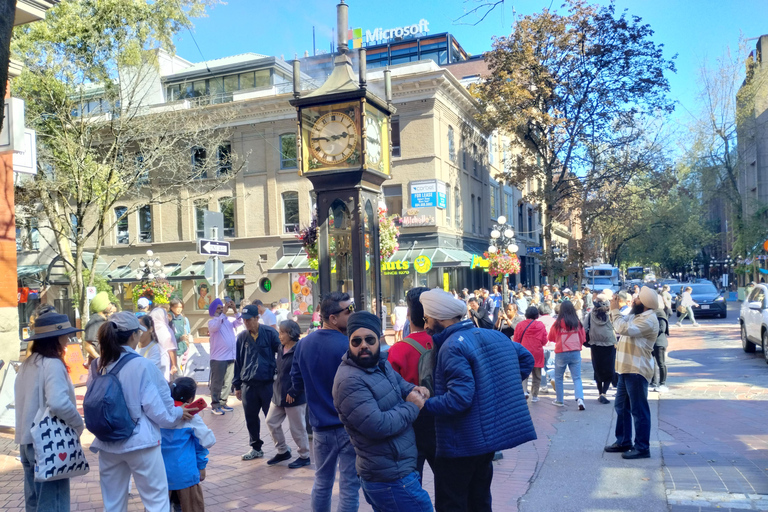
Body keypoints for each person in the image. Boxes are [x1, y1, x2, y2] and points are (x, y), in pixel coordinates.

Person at [420, 289, 536, 512]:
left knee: (452, 503)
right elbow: (525, 358)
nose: (425, 325)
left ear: (440, 317)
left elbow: (459, 399)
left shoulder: (452, 346)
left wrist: (425, 404)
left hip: (458, 442)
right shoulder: (491, 335)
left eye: (427, 319)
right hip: (484, 442)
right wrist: (495, 387)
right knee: (480, 500)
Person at [87, 312, 197, 512]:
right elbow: (160, 411)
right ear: (133, 336)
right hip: (141, 442)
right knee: (156, 502)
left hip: (107, 443)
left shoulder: (97, 365)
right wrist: (179, 414)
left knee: (112, 504)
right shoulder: (143, 365)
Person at [333, 311, 434, 512]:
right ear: (349, 343)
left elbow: (399, 384)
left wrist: (414, 390)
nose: (363, 345)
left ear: (379, 339)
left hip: (397, 472)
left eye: (369, 339)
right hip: (389, 478)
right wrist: (413, 405)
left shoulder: (380, 363)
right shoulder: (349, 381)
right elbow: (378, 425)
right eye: (356, 341)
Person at [291, 292, 360, 512]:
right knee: (349, 485)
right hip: (348, 426)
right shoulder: (348, 345)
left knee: (322, 482)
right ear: (332, 318)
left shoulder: (303, 345)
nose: (352, 314)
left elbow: (296, 381)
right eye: (348, 310)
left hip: (320, 426)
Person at [16, 312, 85, 512]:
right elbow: (58, 402)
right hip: (48, 444)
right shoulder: (52, 364)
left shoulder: (28, 364)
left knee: (35, 502)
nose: (68, 340)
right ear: (55, 338)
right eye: (65, 335)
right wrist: (78, 424)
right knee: (53, 503)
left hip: (27, 442)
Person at [388, 286, 436, 483]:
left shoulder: (398, 350)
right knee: (447, 483)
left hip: (411, 422)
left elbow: (390, 391)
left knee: (412, 480)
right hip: (440, 419)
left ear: (408, 315)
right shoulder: (443, 343)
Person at [605, 286, 659, 460]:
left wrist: (614, 310)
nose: (633, 300)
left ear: (644, 303)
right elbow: (619, 322)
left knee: (638, 410)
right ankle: (623, 441)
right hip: (625, 368)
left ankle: (642, 447)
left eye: (637, 299)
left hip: (637, 370)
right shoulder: (637, 315)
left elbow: (623, 329)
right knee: (621, 407)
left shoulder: (648, 320)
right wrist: (614, 309)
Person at [232, 304, 281, 460]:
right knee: (250, 417)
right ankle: (255, 448)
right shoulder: (241, 337)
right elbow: (238, 362)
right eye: (244, 320)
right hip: (248, 384)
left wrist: (278, 375)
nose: (246, 323)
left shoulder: (270, 333)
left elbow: (281, 355)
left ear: (257, 318)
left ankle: (281, 447)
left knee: (271, 418)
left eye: (249, 319)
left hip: (266, 383)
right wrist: (237, 385)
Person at [161, 377, 216, 512]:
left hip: (160, 475)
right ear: (191, 399)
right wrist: (202, 466)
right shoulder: (192, 418)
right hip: (185, 476)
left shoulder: (159, 413)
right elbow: (208, 441)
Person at [265, 319, 311, 468]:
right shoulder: (280, 348)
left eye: (282, 332)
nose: (279, 336)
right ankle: (283, 451)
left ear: (291, 333)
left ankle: (304, 456)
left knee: (297, 428)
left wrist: (294, 391)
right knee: (271, 421)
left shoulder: (300, 349)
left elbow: (305, 373)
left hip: (294, 396)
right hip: (278, 394)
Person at [548, 300, 587, 410]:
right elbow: (583, 338)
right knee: (577, 378)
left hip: (561, 352)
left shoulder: (557, 323)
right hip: (575, 352)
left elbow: (550, 337)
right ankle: (580, 399)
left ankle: (560, 400)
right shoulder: (577, 323)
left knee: (559, 378)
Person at [207, 298, 241, 415]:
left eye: (222, 307)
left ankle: (223, 402)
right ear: (213, 311)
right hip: (218, 358)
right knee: (217, 382)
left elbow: (240, 322)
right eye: (219, 308)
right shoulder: (212, 322)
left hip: (230, 356)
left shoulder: (227, 320)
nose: (221, 309)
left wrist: (235, 310)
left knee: (228, 381)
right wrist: (224, 313)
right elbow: (216, 327)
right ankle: (215, 405)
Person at [584, 296, 617, 404]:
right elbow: (618, 327)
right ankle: (604, 393)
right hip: (609, 344)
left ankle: (599, 392)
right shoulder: (611, 314)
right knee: (609, 368)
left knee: (597, 368)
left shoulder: (589, 315)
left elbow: (584, 329)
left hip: (595, 343)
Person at [513, 306, 549, 402]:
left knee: (524, 373)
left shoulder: (520, 325)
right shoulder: (540, 325)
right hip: (537, 352)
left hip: (524, 351)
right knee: (537, 375)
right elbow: (544, 340)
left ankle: (524, 391)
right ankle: (535, 395)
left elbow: (516, 340)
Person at [150, 306, 178, 381]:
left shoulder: (150, 329)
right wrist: (174, 365)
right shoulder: (166, 330)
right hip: (164, 361)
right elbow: (171, 349)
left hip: (151, 360)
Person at [83, 291, 111, 362]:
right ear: (102, 306)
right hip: (98, 365)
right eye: (108, 303)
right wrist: (100, 360)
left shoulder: (105, 320)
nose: (111, 306)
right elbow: (88, 346)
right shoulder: (95, 321)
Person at [650, 308, 669, 393]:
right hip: (651, 343)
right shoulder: (651, 313)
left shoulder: (660, 314)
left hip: (659, 342)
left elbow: (662, 328)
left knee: (661, 363)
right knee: (652, 362)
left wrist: (649, 332)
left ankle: (662, 383)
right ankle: (653, 382)